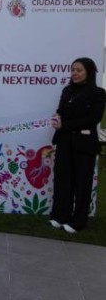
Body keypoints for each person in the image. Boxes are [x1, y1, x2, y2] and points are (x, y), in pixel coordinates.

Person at [49, 57, 106, 233]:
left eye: (79, 70)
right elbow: (61, 111)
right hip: (64, 142)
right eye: (73, 70)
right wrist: (57, 116)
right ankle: (60, 215)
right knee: (63, 180)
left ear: (89, 72)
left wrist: (64, 125)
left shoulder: (98, 93)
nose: (75, 73)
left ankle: (78, 221)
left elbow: (93, 119)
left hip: (84, 145)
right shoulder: (67, 90)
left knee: (82, 183)